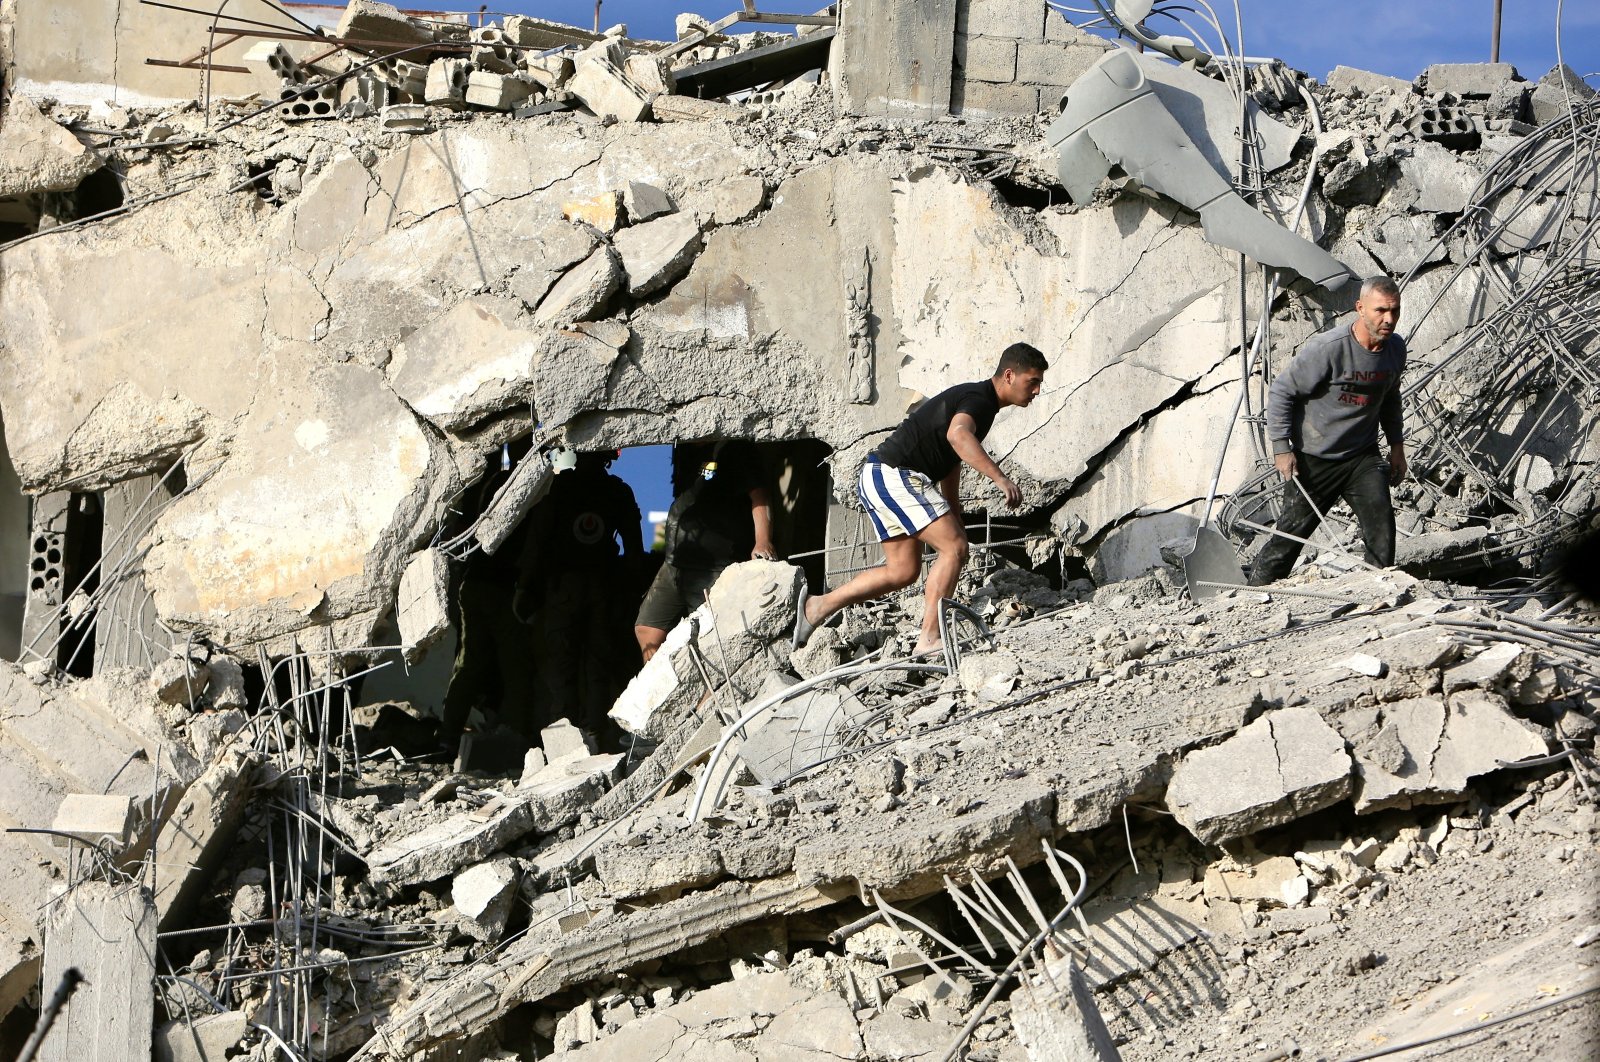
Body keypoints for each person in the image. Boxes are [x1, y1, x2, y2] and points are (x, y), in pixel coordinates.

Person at [794, 343, 1048, 656]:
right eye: (1032, 381)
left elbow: (950, 459)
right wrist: (1000, 478)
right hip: (894, 475)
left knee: (903, 571)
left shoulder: (979, 403)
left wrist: (954, 514)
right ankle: (929, 638)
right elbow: (959, 437)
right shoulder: (980, 400)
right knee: (954, 548)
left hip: (880, 476)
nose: (1036, 390)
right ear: (1009, 375)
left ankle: (817, 607)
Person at [1249, 276, 1407, 585]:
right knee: (1289, 538)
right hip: (1315, 459)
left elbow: (1390, 396)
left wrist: (1397, 446)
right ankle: (1253, 595)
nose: (1389, 319)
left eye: (1395, 311)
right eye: (1380, 311)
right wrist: (1282, 447)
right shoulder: (1329, 348)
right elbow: (1282, 392)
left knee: (1381, 523)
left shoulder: (1394, 349)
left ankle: (1378, 591)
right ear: (1360, 308)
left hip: (1361, 457)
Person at [515, 451, 643, 738]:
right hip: (601, 588)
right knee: (598, 664)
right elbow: (634, 551)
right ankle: (595, 733)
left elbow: (537, 542)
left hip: (565, 589)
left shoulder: (559, 488)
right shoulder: (617, 491)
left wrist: (525, 587)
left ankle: (564, 737)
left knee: (562, 665)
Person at [634, 440, 775, 663]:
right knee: (647, 627)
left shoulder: (735, 449)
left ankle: (706, 694)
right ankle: (663, 689)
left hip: (712, 565)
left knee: (711, 637)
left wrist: (763, 541)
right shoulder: (687, 451)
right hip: (675, 562)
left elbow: (759, 495)